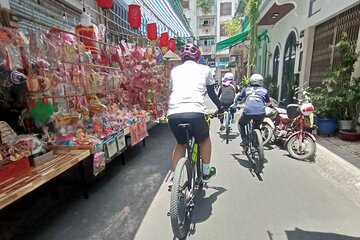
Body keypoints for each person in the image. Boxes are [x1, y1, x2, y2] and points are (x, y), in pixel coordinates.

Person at [167, 43, 222, 186]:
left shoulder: (174, 71)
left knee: (180, 144)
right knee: (204, 140)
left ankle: (174, 178)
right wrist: (220, 108)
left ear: (182, 57)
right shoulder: (205, 69)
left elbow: (172, 90)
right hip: (196, 113)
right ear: (198, 57)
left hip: (173, 114)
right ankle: (205, 172)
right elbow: (211, 93)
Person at [233, 73, 270, 147]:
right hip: (261, 112)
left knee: (241, 123)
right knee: (257, 126)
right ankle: (257, 140)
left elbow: (239, 98)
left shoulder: (246, 89)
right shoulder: (264, 90)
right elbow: (268, 101)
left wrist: (235, 104)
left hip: (248, 111)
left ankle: (245, 139)